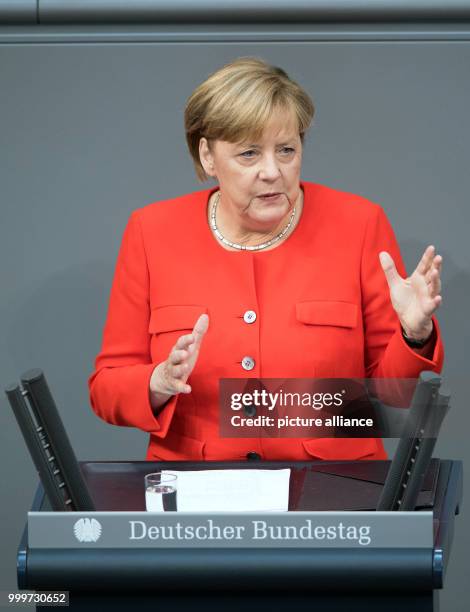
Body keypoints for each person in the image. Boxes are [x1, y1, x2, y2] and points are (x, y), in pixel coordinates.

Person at [88, 57, 444, 462]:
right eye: (249, 154)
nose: (272, 171)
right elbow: (107, 388)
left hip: (331, 495)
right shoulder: (151, 232)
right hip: (196, 498)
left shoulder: (359, 224)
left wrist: (413, 334)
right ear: (207, 156)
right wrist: (157, 381)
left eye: (287, 150)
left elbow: (393, 397)